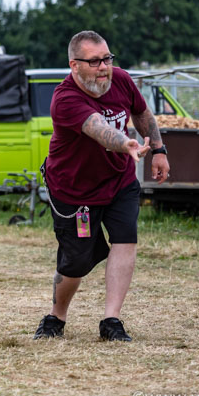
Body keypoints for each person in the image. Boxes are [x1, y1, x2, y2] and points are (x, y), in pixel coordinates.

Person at [33, 30, 170, 342]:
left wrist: (159, 150)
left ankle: (111, 320)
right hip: (74, 191)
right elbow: (98, 128)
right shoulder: (65, 98)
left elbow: (141, 112)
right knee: (76, 261)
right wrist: (126, 143)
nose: (104, 67)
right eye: (94, 61)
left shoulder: (121, 79)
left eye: (107, 58)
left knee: (125, 239)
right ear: (74, 65)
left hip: (120, 181)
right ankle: (56, 316)